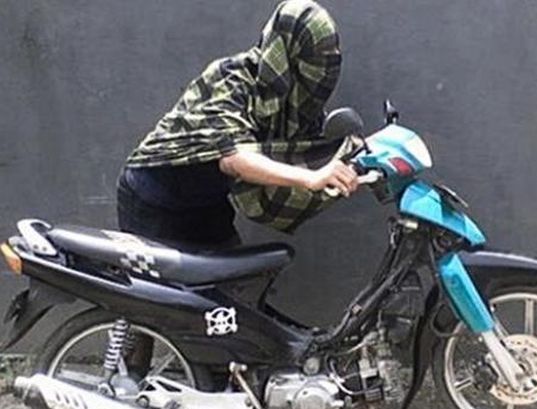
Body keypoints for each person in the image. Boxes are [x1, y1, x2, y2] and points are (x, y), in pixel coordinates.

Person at [117, 0, 358, 248]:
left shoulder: (292, 102)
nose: (325, 67)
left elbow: (312, 147)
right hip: (154, 197)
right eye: (316, 56)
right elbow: (233, 158)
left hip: (207, 201)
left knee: (233, 269)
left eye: (331, 56)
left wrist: (360, 155)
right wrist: (310, 178)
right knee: (167, 275)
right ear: (288, 49)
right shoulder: (231, 78)